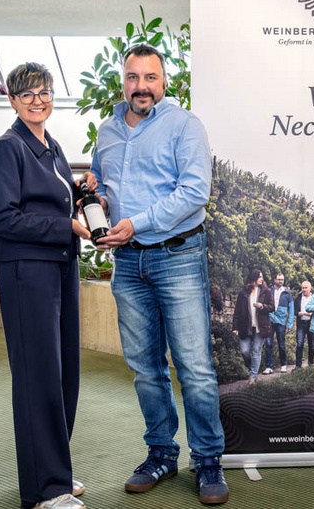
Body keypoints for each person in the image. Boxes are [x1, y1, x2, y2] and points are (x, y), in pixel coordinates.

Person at [90, 44, 228, 505]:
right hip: (128, 263)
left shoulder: (185, 126)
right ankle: (162, 454)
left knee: (194, 367)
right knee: (145, 369)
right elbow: (103, 185)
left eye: (150, 77)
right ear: (122, 81)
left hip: (178, 257)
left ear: (164, 81)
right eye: (133, 77)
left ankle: (208, 460)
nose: (141, 86)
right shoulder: (107, 131)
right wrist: (100, 203)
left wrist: (138, 223)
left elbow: (195, 193)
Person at [0, 62, 90, 509]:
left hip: (61, 266)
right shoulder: (7, 148)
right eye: (27, 95)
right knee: (38, 377)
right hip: (27, 271)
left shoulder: (51, 145)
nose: (38, 100)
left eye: (44, 92)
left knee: (65, 373)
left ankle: (54, 471)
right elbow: (4, 219)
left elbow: (58, 195)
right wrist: (65, 223)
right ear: (12, 100)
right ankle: (45, 490)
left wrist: (82, 191)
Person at [232, 270, 274, 384]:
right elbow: (237, 311)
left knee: (256, 351)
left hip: (260, 327)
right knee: (245, 351)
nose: (261, 279)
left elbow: (272, 307)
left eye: (262, 277)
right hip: (245, 326)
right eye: (259, 277)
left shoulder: (266, 291)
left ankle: (252, 377)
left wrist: (262, 306)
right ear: (254, 278)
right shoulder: (243, 292)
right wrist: (235, 327)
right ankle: (252, 369)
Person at [265, 272, 294, 374]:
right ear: (274, 280)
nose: (280, 281)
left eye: (282, 279)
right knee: (268, 343)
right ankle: (269, 366)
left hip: (281, 321)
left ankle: (283, 365)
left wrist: (290, 324)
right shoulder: (269, 291)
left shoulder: (287, 293)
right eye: (279, 279)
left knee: (281, 344)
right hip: (270, 320)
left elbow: (291, 309)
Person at [293, 280, 314, 369]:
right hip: (301, 323)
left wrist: (312, 314)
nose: (304, 289)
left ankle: (311, 363)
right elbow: (294, 311)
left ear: (310, 288)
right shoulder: (298, 298)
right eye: (302, 288)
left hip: (311, 323)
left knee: (312, 345)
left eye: (305, 288)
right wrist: (299, 313)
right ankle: (298, 366)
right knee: (299, 344)